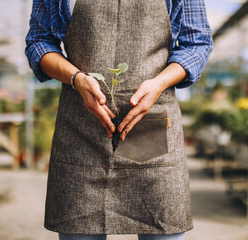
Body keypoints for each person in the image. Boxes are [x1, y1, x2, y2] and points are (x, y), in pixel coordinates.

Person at [25, 0, 213, 239]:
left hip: (149, 123)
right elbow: (39, 41)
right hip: (83, 127)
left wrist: (159, 84)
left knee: (162, 226)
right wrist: (77, 79)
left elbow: (196, 44)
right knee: (78, 229)